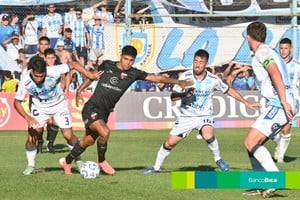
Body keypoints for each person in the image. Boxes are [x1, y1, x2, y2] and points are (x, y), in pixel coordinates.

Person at [58, 45, 193, 175]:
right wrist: (80, 90)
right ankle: (101, 161)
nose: (128, 63)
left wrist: (178, 82)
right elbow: (93, 76)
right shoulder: (107, 65)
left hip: (104, 112)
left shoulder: (134, 73)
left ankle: (67, 161)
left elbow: (156, 78)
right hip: (91, 107)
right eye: (126, 59)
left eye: (131, 60)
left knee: (88, 141)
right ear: (121, 57)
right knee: (104, 132)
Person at [141, 49, 260, 174]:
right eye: (195, 61)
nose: (197, 64)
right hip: (186, 117)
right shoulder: (185, 77)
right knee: (169, 143)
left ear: (206, 64)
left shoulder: (213, 79)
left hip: (204, 115)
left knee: (208, 135)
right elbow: (172, 97)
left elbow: (228, 90)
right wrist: (185, 93)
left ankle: (218, 159)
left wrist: (246, 102)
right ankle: (156, 168)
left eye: (201, 62)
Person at [242, 22, 294, 197]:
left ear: (249, 37)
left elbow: (275, 73)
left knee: (250, 142)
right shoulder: (269, 50)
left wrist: (283, 101)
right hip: (278, 103)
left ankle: (274, 178)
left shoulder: (262, 52)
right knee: (253, 145)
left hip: (279, 104)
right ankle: (261, 184)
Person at [14, 57, 83, 175]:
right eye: (37, 76)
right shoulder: (25, 80)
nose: (40, 79)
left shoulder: (54, 70)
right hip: (39, 108)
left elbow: (72, 64)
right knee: (32, 136)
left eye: (42, 76)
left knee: (68, 135)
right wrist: (27, 117)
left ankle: (79, 161)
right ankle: (30, 165)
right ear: (31, 71)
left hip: (59, 105)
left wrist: (88, 75)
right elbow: (16, 102)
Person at [273, 38, 300, 163]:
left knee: (286, 128)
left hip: (291, 101)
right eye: (281, 48)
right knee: (271, 130)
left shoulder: (297, 66)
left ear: (291, 49)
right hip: (275, 99)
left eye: (286, 48)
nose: (283, 51)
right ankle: (278, 143)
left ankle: (280, 157)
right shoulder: (275, 64)